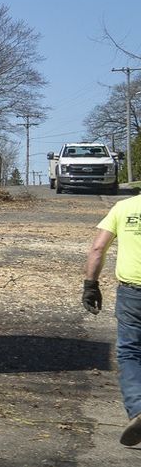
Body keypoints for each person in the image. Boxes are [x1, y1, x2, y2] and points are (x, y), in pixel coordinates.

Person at [82, 190, 141, 447]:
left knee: (130, 351)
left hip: (133, 293)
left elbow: (97, 248)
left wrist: (90, 285)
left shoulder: (124, 208)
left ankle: (138, 409)